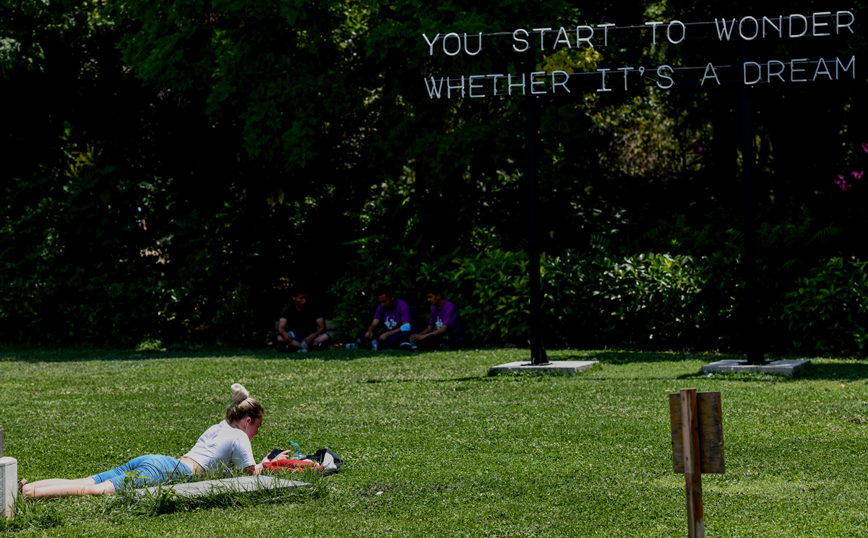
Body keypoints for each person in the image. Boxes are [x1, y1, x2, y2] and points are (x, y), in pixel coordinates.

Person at [19, 384, 289, 499]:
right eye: (258, 427)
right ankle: (29, 496)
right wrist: (271, 462)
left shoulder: (219, 427)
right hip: (169, 471)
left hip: (157, 460)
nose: (256, 433)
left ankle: (27, 487)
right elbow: (250, 474)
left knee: (89, 480)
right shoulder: (240, 435)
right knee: (97, 491)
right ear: (249, 420)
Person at [407, 286, 465, 350]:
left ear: (438, 296)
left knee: (430, 338)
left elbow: (444, 329)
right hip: (440, 337)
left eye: (430, 297)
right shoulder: (434, 308)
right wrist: (417, 336)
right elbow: (429, 328)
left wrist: (422, 337)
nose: (428, 300)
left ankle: (444, 346)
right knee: (425, 339)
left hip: (452, 338)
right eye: (427, 297)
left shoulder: (450, 307)